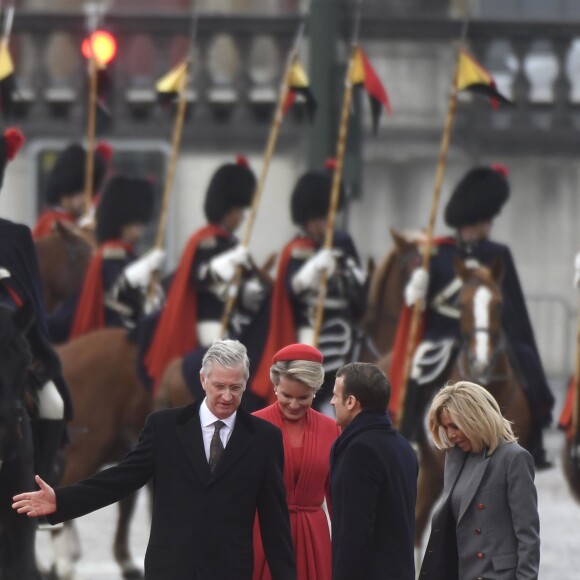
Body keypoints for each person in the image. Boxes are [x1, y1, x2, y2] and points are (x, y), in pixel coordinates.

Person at [13, 339, 296, 580]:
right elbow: (120, 480)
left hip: (229, 570)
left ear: (245, 384)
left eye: (235, 388)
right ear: (202, 380)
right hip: (169, 570)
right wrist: (60, 501)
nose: (226, 396)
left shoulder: (264, 438)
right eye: (219, 385)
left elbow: (275, 523)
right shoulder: (164, 428)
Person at [393, 165, 554, 468]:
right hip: (443, 332)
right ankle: (410, 434)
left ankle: (536, 438)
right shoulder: (437, 254)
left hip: (487, 331)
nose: (487, 226)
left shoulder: (497, 253)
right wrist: (417, 287)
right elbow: (419, 302)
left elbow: (512, 304)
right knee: (419, 368)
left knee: (525, 360)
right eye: (484, 221)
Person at [144, 157, 266, 391]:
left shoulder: (232, 244)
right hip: (210, 322)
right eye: (238, 210)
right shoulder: (206, 241)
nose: (241, 217)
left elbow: (244, 289)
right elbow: (201, 277)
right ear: (225, 209)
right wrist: (229, 262)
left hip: (235, 320)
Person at [253, 162, 367, 408]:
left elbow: (360, 292)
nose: (325, 223)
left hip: (346, 329)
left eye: (327, 216)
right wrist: (316, 266)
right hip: (312, 328)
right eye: (318, 218)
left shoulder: (342, 243)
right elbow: (292, 288)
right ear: (307, 220)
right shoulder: (297, 251)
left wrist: (350, 271)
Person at [0, 129, 73, 493]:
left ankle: (41, 485)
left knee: (52, 403)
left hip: (10, 345)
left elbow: (30, 302)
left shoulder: (15, 236)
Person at [419, 381, 540, 580]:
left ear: (474, 418)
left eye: (454, 426)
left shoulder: (514, 458)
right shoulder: (454, 457)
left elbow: (528, 536)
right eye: (445, 427)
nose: (450, 435)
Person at [252, 343, 340, 580]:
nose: (293, 404)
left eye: (303, 397)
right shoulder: (252, 426)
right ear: (275, 387)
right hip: (263, 536)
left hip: (314, 537)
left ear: (315, 391)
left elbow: (337, 498)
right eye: (286, 395)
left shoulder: (332, 429)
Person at [329, 362, 417, 580]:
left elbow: (354, 533)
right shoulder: (403, 447)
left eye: (335, 395)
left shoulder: (359, 450)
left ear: (350, 402)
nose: (331, 402)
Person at [54, 174, 163, 342]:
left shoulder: (126, 253)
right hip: (115, 328)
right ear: (123, 225)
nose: (141, 229)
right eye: (137, 224)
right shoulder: (113, 254)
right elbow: (121, 287)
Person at [32, 142, 110, 240]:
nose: (86, 199)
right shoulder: (51, 222)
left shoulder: (79, 222)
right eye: (80, 193)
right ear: (65, 194)